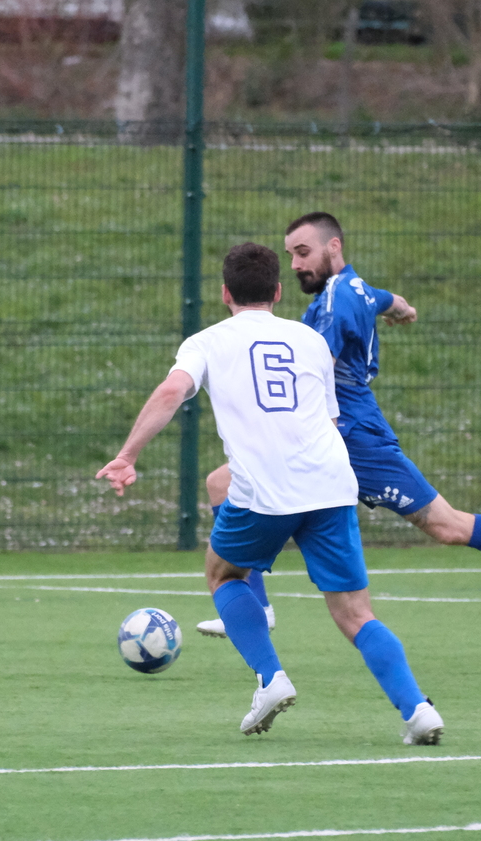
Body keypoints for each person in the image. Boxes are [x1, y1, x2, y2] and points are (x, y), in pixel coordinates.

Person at [195, 211, 481, 641]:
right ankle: (257, 607)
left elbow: (315, 368)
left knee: (447, 526)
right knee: (222, 483)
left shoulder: (337, 301)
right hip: (324, 436)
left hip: (352, 435)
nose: (295, 264)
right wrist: (402, 307)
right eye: (291, 256)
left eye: (303, 253)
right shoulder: (351, 288)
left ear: (333, 246)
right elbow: (382, 297)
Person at [97, 243, 445, 744]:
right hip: (331, 483)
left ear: (225, 294)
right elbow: (330, 420)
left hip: (264, 489)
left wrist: (127, 455)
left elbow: (172, 392)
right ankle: (417, 710)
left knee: (223, 573)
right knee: (355, 613)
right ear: (278, 292)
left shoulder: (206, 342)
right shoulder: (311, 340)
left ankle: (270, 677)